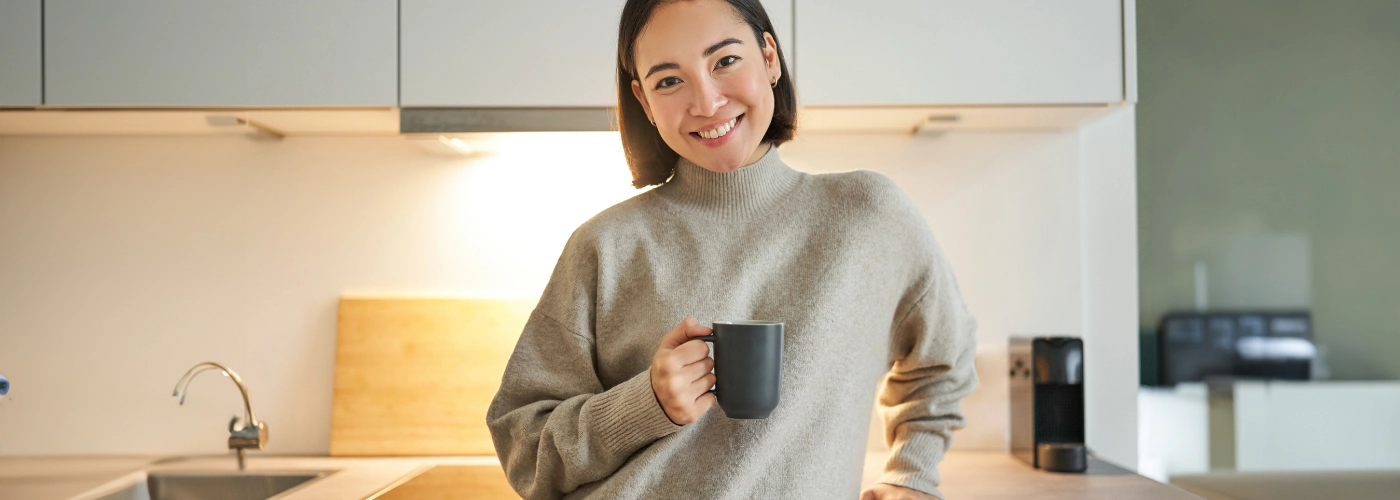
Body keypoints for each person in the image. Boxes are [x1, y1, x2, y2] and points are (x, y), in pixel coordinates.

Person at [486, 0, 977, 498]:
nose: (706, 102)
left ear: (768, 56)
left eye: (724, 61)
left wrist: (911, 474)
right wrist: (643, 405)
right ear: (643, 99)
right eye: (668, 81)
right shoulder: (603, 246)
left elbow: (943, 362)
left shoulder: (868, 216)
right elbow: (523, 445)